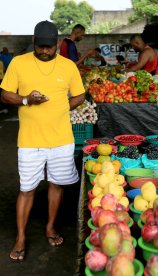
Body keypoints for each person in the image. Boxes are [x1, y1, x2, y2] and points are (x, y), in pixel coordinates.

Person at [0, 20, 86, 261]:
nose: (46, 52)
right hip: (30, 141)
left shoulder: (68, 66)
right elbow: (5, 95)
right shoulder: (19, 63)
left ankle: (50, 227)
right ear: (34, 43)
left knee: (56, 185)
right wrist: (26, 100)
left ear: (57, 44)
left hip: (61, 139)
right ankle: (20, 237)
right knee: (27, 189)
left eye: (50, 47)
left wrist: (62, 107)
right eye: (42, 47)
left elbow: (80, 95)